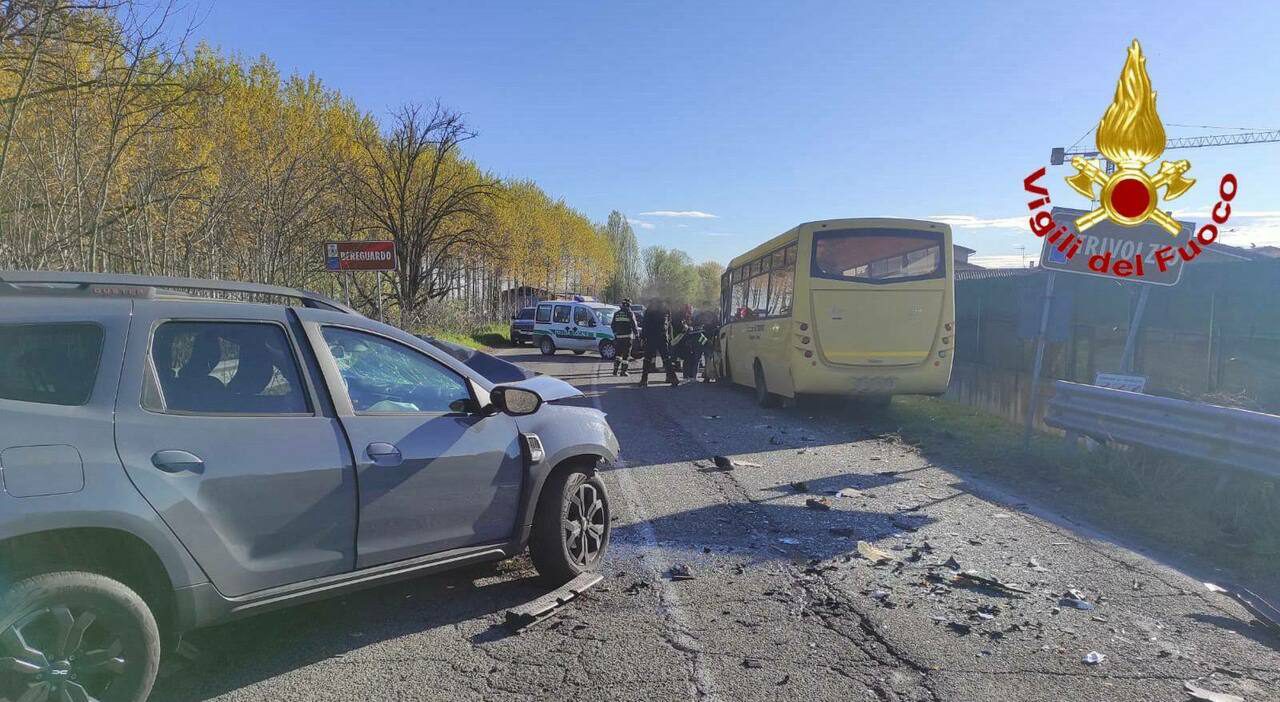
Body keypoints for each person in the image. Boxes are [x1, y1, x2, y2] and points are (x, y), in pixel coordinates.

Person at [639, 300, 678, 387]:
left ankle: (644, 380)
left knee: (647, 359)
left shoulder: (649, 310)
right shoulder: (665, 309)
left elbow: (645, 324)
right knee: (666, 359)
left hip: (651, 337)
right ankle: (673, 378)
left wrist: (642, 337)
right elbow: (668, 324)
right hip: (662, 336)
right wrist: (668, 337)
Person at [610, 299, 639, 376]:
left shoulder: (617, 313)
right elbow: (634, 325)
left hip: (618, 338)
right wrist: (637, 335)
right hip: (627, 338)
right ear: (629, 305)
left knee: (618, 354)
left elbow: (612, 325)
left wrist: (615, 334)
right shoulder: (630, 313)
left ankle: (615, 371)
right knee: (626, 355)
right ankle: (623, 372)